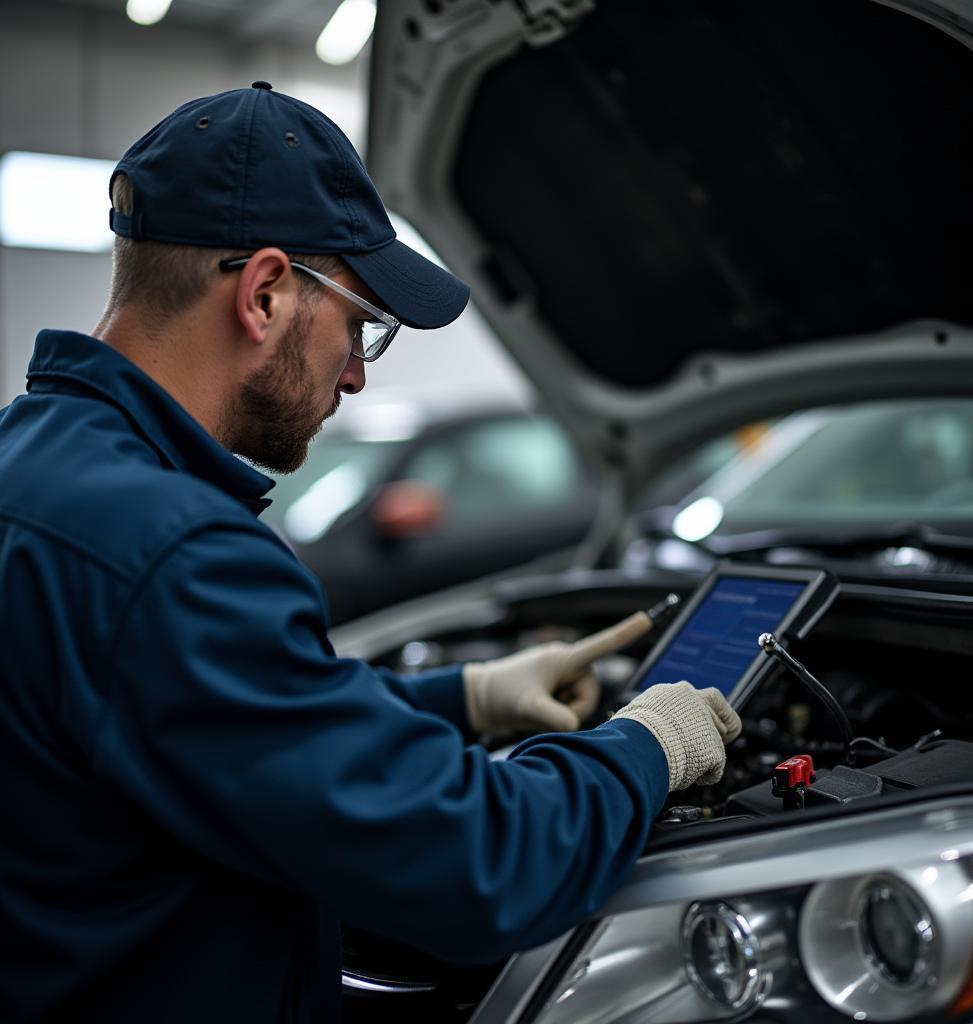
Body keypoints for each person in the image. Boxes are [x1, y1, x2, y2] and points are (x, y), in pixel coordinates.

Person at [0, 83, 741, 1023]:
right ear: (264, 293)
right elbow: (481, 866)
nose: (354, 370)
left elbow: (190, 720)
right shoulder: (172, 553)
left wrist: (461, 697)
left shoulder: (34, 468)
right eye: (360, 325)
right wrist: (644, 747)